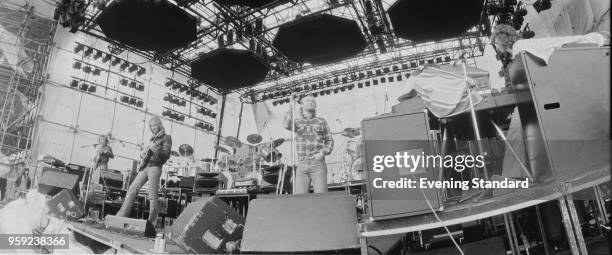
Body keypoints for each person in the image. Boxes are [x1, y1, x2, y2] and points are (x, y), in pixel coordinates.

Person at [117, 116, 172, 226]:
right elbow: (148, 153)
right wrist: (143, 154)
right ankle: (120, 217)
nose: (154, 127)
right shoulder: (153, 138)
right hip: (145, 167)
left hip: (155, 168)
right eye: (152, 126)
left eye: (155, 125)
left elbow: (166, 155)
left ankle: (151, 223)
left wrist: (156, 151)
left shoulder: (166, 137)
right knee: (132, 189)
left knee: (152, 196)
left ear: (160, 124)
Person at [284, 95, 333, 194]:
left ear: (315, 106)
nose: (311, 102)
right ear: (301, 105)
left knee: (321, 198)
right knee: (300, 199)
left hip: (318, 164)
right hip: (302, 164)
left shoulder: (321, 121)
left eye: (313, 101)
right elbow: (286, 124)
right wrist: (291, 106)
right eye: (308, 100)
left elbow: (329, 140)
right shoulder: (297, 122)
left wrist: (323, 153)